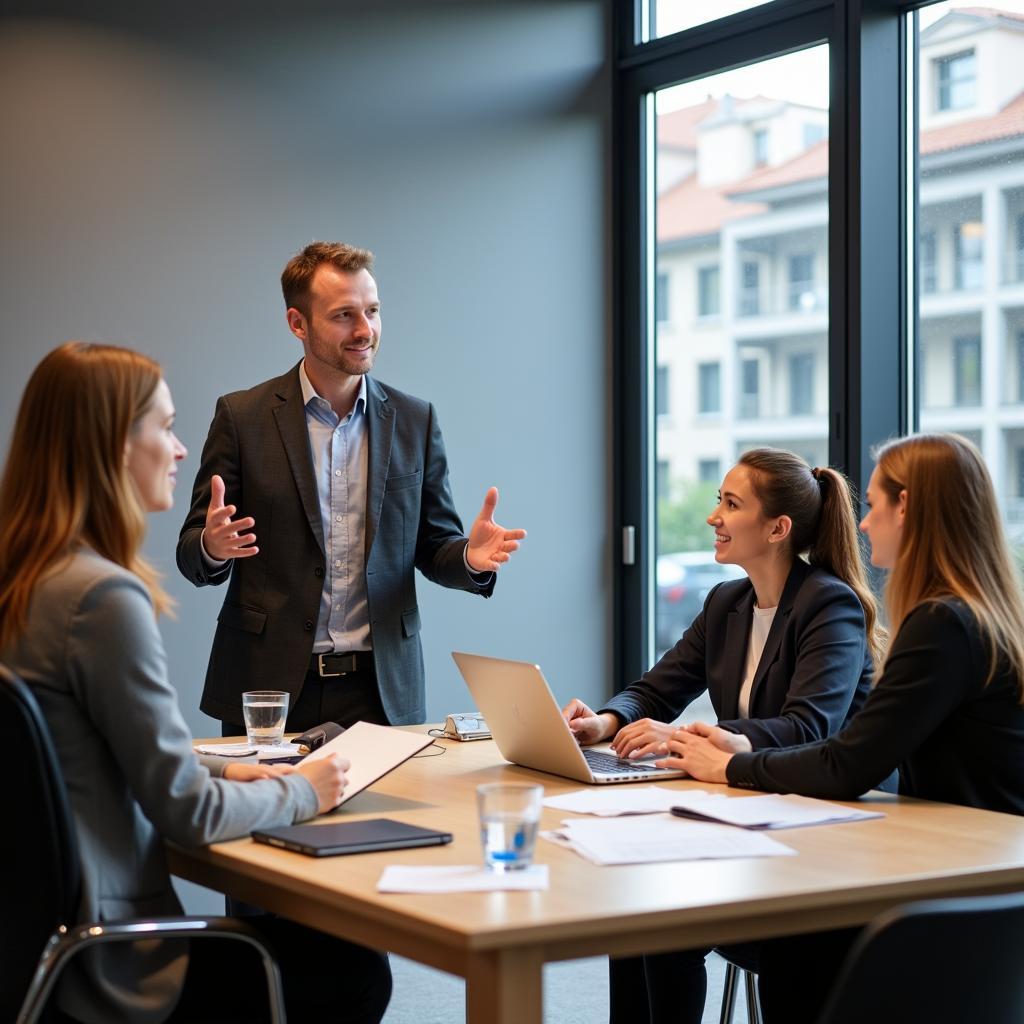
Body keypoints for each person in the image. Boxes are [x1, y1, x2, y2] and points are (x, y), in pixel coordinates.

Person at [0, 342, 391, 1024]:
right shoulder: (100, 599)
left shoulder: (27, 582)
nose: (179, 450)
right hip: (112, 969)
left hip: (28, 953)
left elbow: (89, 751)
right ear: (113, 445)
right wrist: (305, 789)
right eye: (164, 427)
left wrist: (211, 767)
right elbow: (191, 817)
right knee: (354, 971)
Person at [665, 433, 1024, 1024]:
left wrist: (730, 764)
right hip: (976, 869)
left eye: (877, 505)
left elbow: (847, 763)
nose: (863, 525)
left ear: (908, 507)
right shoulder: (971, 614)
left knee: (794, 934)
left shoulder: (941, 625)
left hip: (968, 889)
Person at [560, 447, 885, 1024]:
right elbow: (655, 688)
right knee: (644, 907)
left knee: (662, 909)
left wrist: (687, 737)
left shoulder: (828, 604)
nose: (714, 516)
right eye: (718, 501)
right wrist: (605, 723)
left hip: (818, 842)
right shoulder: (727, 602)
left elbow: (808, 726)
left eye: (731, 504)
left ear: (778, 528)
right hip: (748, 817)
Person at [177, 241, 525, 736]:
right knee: (270, 817)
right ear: (298, 324)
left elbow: (433, 547)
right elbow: (191, 555)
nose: (365, 330)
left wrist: (469, 557)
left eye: (373, 311)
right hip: (267, 686)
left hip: (380, 692)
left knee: (385, 819)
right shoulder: (242, 417)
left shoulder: (414, 420)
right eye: (344, 315)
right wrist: (211, 547)